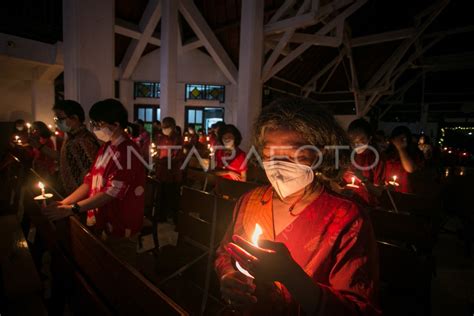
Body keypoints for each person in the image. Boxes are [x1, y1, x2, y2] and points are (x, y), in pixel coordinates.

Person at [215, 98, 380, 315]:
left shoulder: (347, 219)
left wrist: (291, 275)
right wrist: (228, 276)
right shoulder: (250, 201)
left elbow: (357, 308)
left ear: (321, 154)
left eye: (294, 155)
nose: (278, 165)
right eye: (269, 155)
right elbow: (225, 252)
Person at [44, 99, 146, 266]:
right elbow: (90, 181)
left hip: (121, 222)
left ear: (115, 124)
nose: (95, 128)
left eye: (98, 123)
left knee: (120, 273)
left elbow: (112, 191)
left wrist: (73, 208)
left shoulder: (127, 151)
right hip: (104, 220)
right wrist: (65, 203)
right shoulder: (106, 148)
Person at [52, 100, 100, 195]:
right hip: (73, 195)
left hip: (82, 197)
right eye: (56, 119)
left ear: (75, 118)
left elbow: (92, 174)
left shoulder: (83, 140)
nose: (57, 122)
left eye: (60, 118)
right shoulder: (71, 137)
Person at [341, 118, 384, 206]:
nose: (357, 144)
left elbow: (379, 192)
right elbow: (340, 183)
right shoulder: (346, 155)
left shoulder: (376, 159)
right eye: (352, 140)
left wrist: (363, 179)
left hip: (366, 207)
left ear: (369, 138)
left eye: (362, 140)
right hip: (347, 204)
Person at [155, 117, 183, 223]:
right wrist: (157, 157)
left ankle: (175, 218)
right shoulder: (160, 138)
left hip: (173, 172)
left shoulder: (178, 139)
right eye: (163, 127)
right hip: (161, 171)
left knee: (172, 195)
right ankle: (161, 216)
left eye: (167, 127)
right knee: (161, 195)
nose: (164, 129)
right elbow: (158, 151)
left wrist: (166, 160)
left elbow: (178, 156)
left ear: (173, 127)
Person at [380, 126, 422, 194]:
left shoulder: (413, 153)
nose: (402, 141)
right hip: (388, 192)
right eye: (400, 139)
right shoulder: (387, 154)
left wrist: (401, 148)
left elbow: (410, 168)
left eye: (404, 139)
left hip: (404, 193)